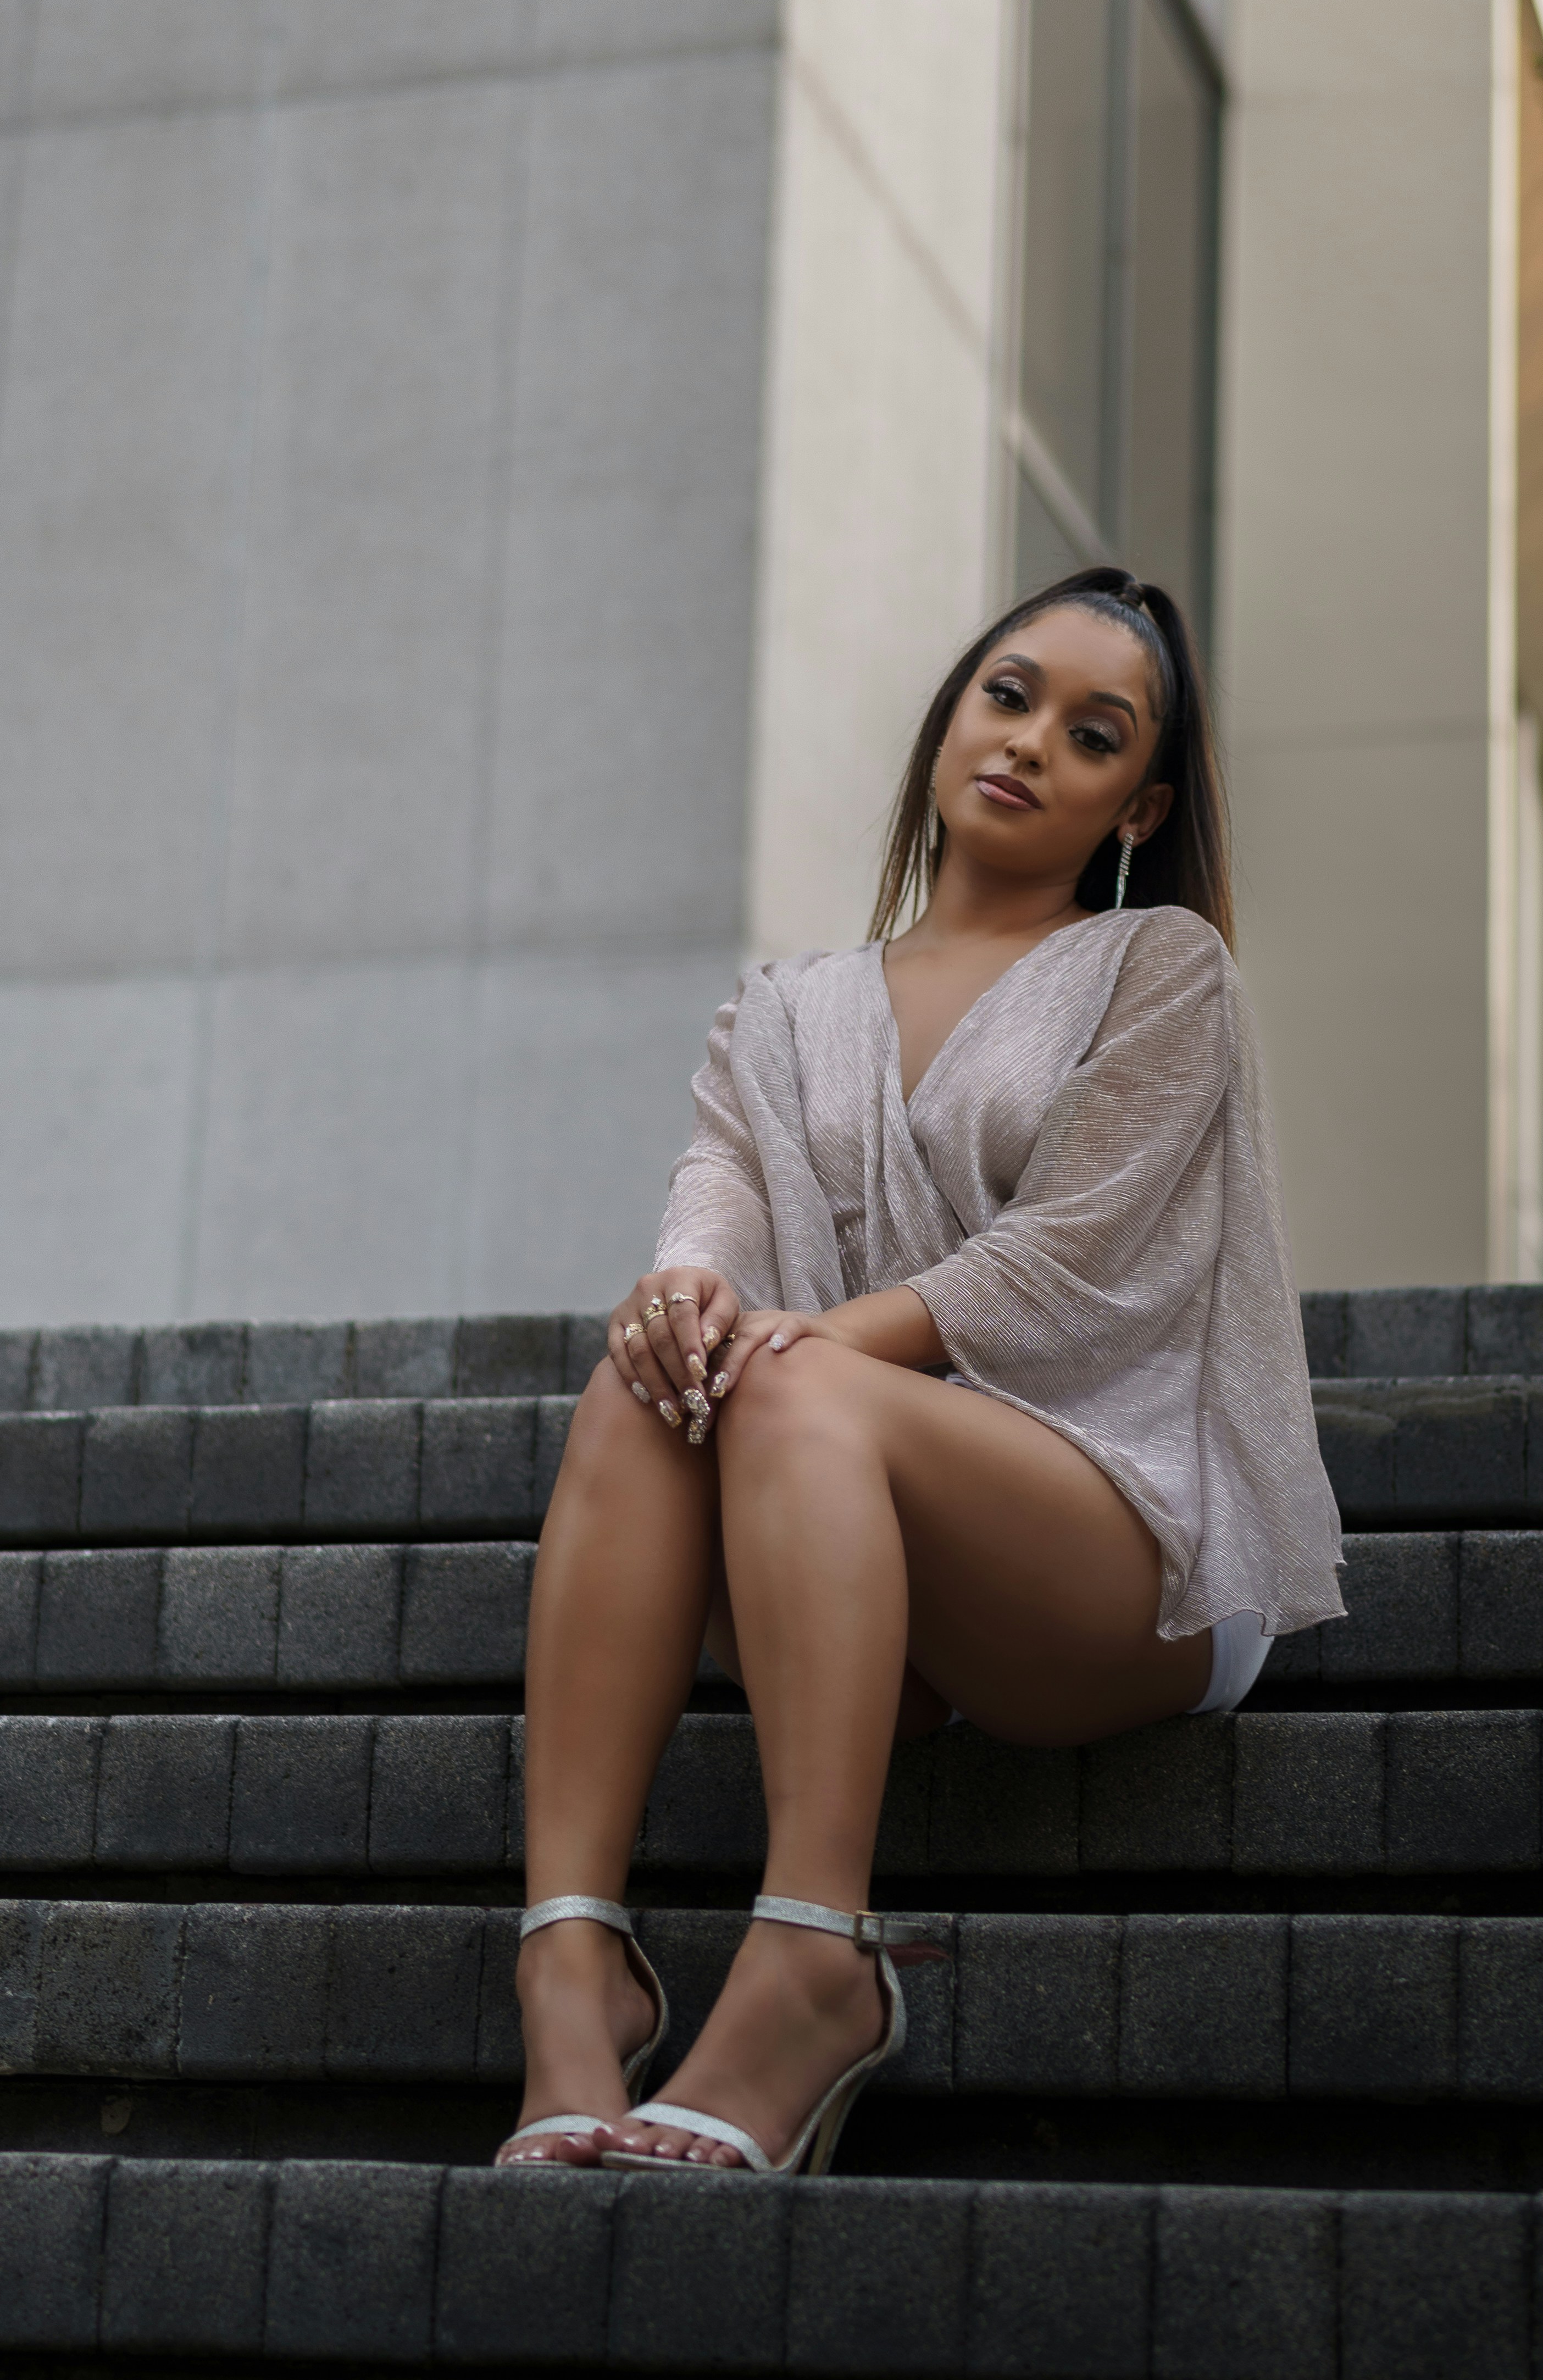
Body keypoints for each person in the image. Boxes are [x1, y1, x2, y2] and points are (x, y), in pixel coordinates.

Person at [499, 564, 1344, 2178]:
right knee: (644, 1375)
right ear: (953, 715)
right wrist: (685, 1296)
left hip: (1123, 1547)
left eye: (1092, 736)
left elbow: (1067, 1264)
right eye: (1007, 696)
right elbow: (718, 1205)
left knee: (791, 1380)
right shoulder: (787, 1007)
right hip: (856, 1533)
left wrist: (802, 1344)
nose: (1030, 743)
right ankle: (571, 1965)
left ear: (1137, 802)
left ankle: (815, 1953)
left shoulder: (1159, 969)